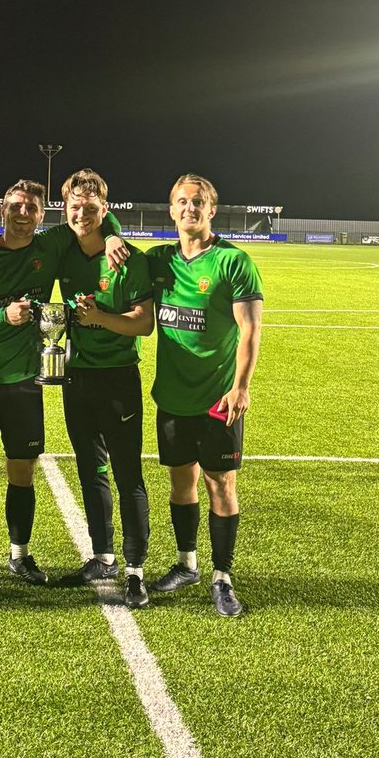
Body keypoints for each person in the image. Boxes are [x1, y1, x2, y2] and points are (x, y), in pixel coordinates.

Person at [0, 178, 127, 594]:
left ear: (43, 216)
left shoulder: (49, 246)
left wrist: (113, 232)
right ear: (3, 209)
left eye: (31, 208)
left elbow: (95, 212)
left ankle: (20, 555)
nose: (23, 214)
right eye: (16, 206)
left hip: (26, 380)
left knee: (22, 472)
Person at [145, 174, 263, 618]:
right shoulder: (158, 261)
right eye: (182, 202)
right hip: (172, 396)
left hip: (219, 397)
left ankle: (222, 577)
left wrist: (241, 386)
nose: (190, 209)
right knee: (181, 482)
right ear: (171, 210)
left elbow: (250, 329)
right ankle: (185, 564)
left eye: (198, 202)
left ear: (211, 210)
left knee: (221, 484)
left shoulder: (233, 262)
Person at [57, 169, 154, 610]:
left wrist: (100, 319)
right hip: (76, 377)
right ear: (66, 209)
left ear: (104, 209)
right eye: (75, 206)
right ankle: (103, 555)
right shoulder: (64, 252)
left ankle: (135, 570)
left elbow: (144, 323)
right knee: (89, 469)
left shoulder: (129, 259)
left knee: (127, 472)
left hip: (118, 378)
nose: (82, 213)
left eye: (91, 207)